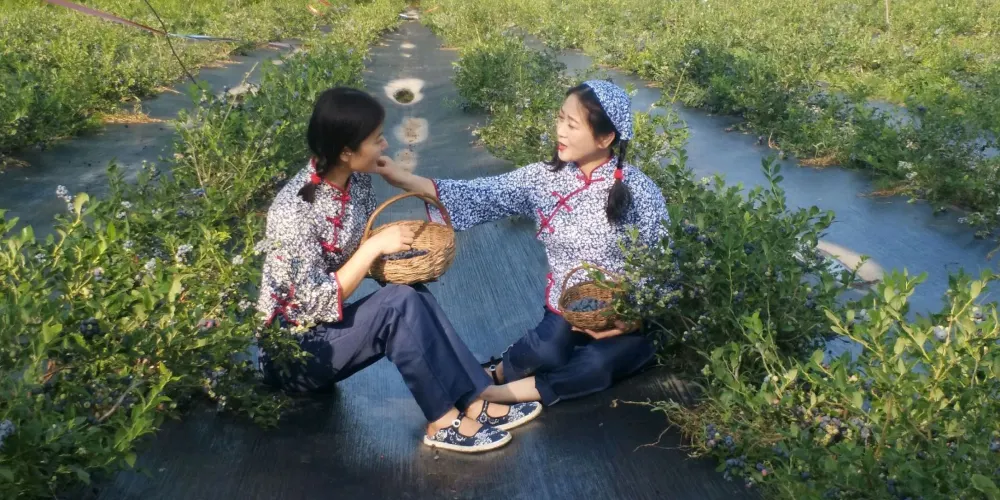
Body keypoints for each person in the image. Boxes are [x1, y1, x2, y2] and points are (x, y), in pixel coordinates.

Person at [254, 87, 541, 453]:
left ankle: (474, 396)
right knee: (396, 305)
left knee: (410, 295)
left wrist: (401, 255)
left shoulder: (355, 180)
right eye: (376, 139)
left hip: (327, 335)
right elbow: (311, 304)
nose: (385, 144)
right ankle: (442, 422)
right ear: (346, 152)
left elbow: (361, 254)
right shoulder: (292, 210)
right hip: (294, 355)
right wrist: (373, 248)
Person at [377, 80, 670, 406]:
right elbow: (480, 194)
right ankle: (500, 371)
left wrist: (635, 315)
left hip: (624, 315)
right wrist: (402, 178)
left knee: (597, 364)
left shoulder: (639, 191)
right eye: (560, 118)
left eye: (572, 125)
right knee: (545, 350)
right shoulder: (543, 178)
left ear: (605, 138)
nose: (560, 131)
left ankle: (496, 392)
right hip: (567, 308)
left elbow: (665, 260)